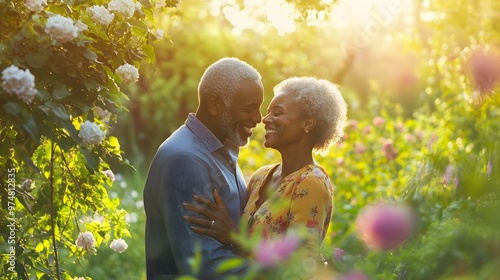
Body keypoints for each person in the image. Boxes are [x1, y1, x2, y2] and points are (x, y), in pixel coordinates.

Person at [183, 77, 347, 259]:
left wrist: (233, 237)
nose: (265, 119)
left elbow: (299, 265)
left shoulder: (311, 183)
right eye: (268, 112)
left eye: (277, 113)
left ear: (307, 123)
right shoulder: (260, 177)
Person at [143, 57, 264, 279]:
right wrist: (280, 274)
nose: (258, 118)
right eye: (249, 109)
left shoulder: (218, 150)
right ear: (214, 105)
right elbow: (204, 266)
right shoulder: (186, 159)